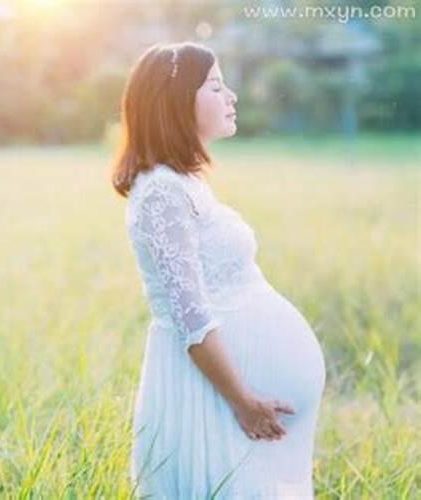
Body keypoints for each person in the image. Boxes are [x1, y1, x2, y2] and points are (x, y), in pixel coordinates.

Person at [111, 42, 326, 498]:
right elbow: (191, 319)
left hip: (228, 399)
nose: (231, 96)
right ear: (175, 101)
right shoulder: (161, 194)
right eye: (215, 85)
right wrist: (243, 401)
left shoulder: (183, 183)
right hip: (210, 398)